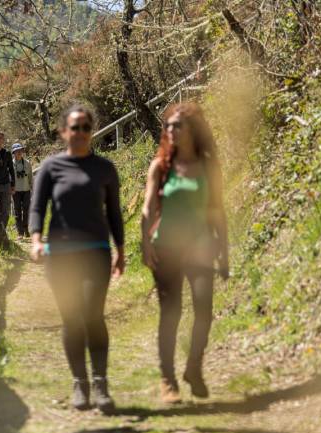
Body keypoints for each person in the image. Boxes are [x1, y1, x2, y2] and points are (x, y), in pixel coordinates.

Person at [29, 105, 125, 413]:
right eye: (75, 127)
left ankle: (100, 383)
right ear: (63, 132)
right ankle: (79, 384)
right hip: (61, 256)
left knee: (93, 315)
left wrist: (120, 249)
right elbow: (37, 208)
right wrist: (35, 240)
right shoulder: (50, 167)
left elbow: (114, 213)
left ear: (92, 131)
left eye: (86, 127)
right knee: (71, 318)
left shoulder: (104, 168)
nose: (81, 132)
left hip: (96, 250)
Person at [140, 102, 229, 404]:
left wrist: (225, 252)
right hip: (166, 247)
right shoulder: (161, 166)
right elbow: (148, 206)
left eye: (178, 125)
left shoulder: (208, 166)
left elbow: (217, 211)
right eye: (168, 125)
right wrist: (145, 241)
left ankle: (194, 367)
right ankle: (168, 379)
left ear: (193, 129)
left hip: (202, 247)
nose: (171, 130)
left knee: (203, 311)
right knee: (171, 313)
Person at [11, 143, 33, 238]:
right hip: (15, 191)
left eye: (20, 150)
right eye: (17, 151)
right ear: (14, 152)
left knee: (26, 210)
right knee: (17, 212)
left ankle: (26, 229)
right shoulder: (10, 164)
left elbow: (30, 177)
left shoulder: (27, 163)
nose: (19, 152)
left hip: (26, 190)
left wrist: (32, 188)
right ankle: (20, 232)